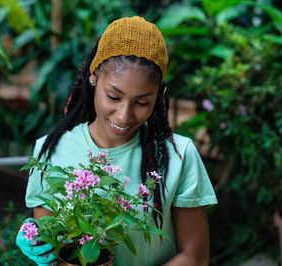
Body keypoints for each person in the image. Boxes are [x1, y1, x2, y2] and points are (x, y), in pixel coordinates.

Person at [16, 16, 217, 266]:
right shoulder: (51, 150)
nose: (124, 115)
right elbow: (55, 250)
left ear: (159, 96)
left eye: (142, 102)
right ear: (93, 78)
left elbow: (194, 257)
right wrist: (38, 239)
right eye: (113, 96)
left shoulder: (179, 155)